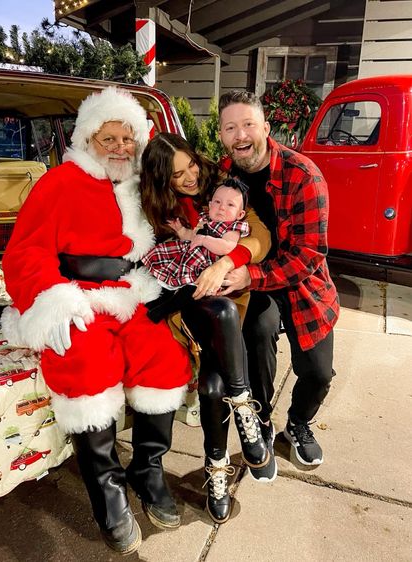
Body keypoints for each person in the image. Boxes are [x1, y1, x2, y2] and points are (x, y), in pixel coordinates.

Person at [0, 87, 192, 555]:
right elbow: (25, 251)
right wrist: (54, 299)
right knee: (85, 365)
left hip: (135, 292)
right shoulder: (59, 182)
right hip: (78, 296)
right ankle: (107, 492)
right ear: (88, 139)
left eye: (128, 138)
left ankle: (147, 471)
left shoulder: (143, 182)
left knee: (165, 358)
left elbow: (187, 222)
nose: (120, 147)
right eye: (110, 138)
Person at [139, 132, 272, 524]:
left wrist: (229, 264)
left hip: (227, 294)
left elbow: (259, 235)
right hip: (191, 306)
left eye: (191, 164)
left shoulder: (222, 190)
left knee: (215, 386)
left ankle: (218, 468)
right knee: (223, 323)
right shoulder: (159, 212)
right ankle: (243, 407)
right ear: (162, 179)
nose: (190, 176)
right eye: (178, 174)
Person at [216, 90, 340, 482]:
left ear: (266, 128)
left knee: (318, 372)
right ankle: (262, 422)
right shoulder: (225, 177)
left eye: (248, 124)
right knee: (256, 333)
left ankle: (298, 422)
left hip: (302, 282)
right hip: (254, 282)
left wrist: (249, 274)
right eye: (230, 127)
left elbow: (308, 256)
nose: (240, 135)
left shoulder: (303, 174)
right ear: (221, 134)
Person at [142, 178, 250, 322]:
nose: (222, 208)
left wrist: (205, 240)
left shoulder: (232, 227)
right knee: (168, 273)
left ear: (240, 214)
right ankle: (157, 301)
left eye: (230, 205)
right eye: (217, 202)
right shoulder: (205, 220)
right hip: (188, 258)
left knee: (191, 290)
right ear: (210, 205)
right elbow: (192, 236)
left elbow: (227, 247)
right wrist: (180, 230)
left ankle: (166, 308)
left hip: (206, 266)